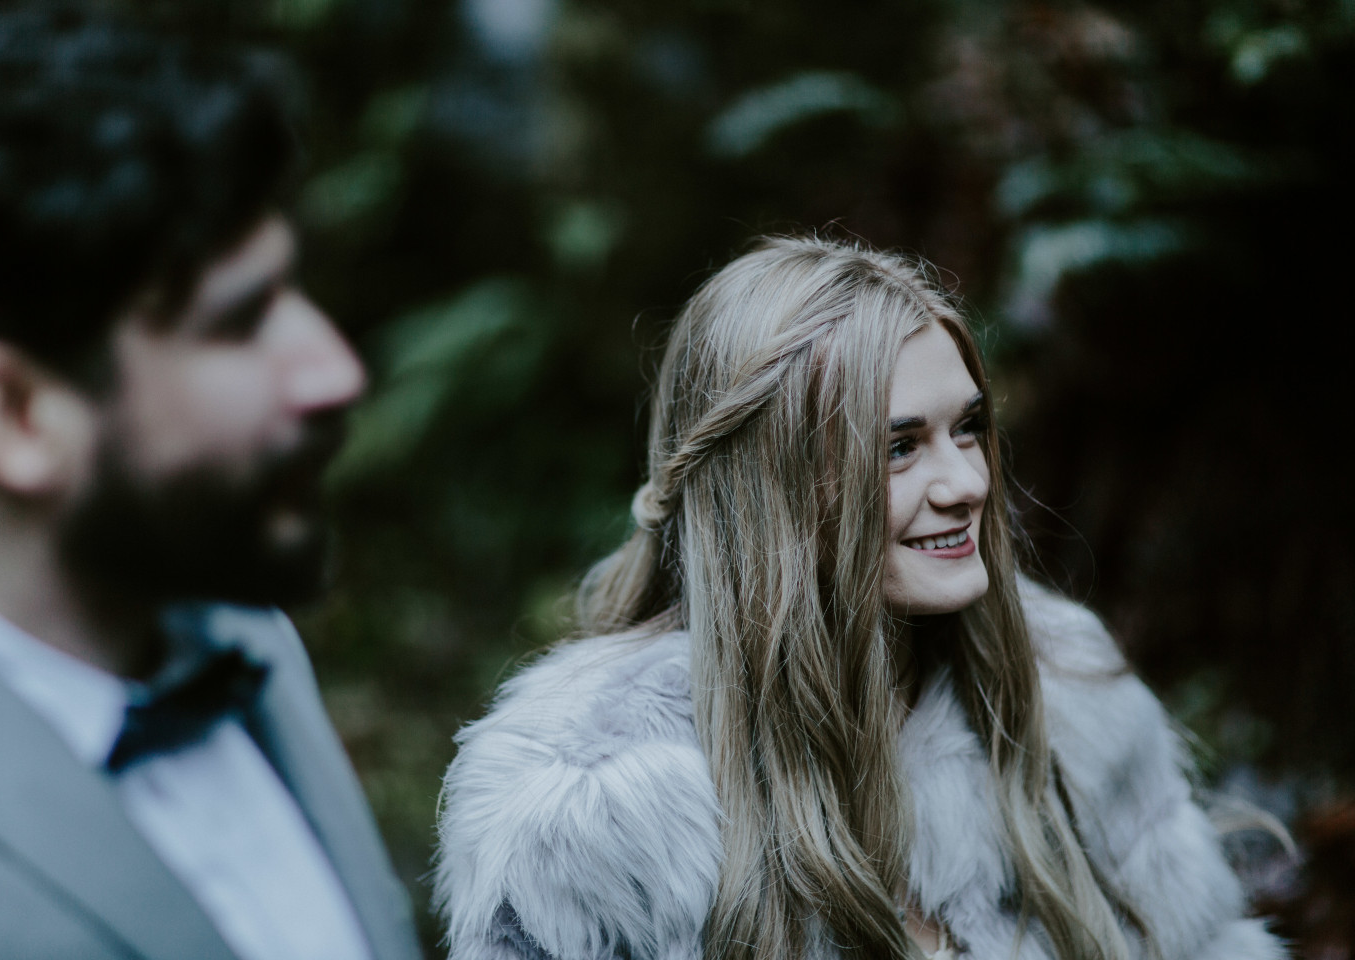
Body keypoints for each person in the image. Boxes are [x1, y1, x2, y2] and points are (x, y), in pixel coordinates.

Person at [434, 237, 1284, 960]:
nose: (964, 483)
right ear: (773, 488)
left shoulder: (1069, 696)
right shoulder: (589, 813)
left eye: (968, 428)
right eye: (899, 447)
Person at [0, 4, 421, 959]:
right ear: (17, 416)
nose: (334, 370)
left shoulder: (255, 652)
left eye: (293, 290)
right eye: (240, 321)